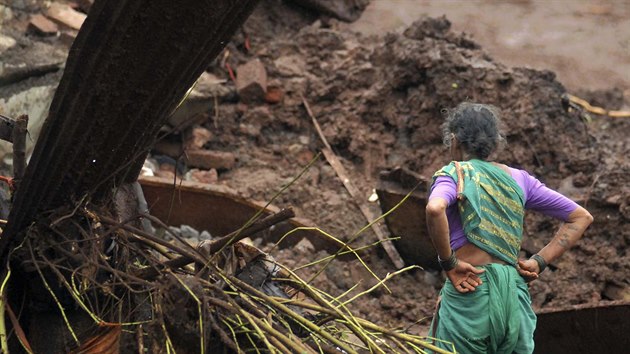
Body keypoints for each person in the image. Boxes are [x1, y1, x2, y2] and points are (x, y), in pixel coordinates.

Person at [425, 102, 593, 353]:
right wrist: (539, 261)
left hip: (471, 291)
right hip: (514, 299)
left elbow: (435, 208)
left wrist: (448, 263)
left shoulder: (455, 175)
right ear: (495, 143)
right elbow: (581, 217)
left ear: (453, 140)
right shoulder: (520, 180)